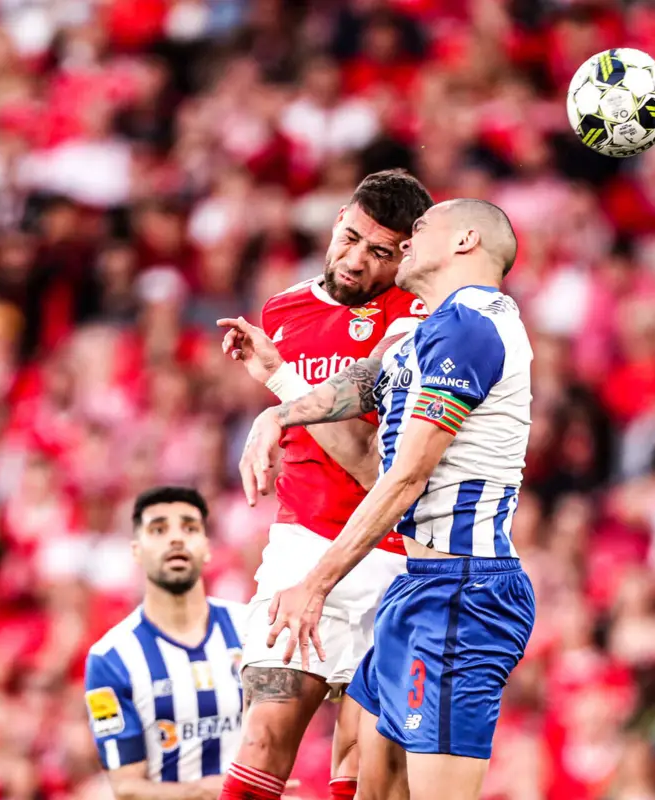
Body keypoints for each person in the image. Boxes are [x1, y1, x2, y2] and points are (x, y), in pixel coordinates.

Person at [227, 198, 533, 800]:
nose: (404, 241)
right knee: (376, 785)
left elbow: (404, 477)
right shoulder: (432, 330)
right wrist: (278, 410)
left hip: (464, 596)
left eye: (418, 229)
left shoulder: (473, 327)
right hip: (421, 589)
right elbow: (362, 382)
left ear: (466, 240)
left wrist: (315, 583)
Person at [216, 169, 434, 800]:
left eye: (380, 252)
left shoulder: (413, 316)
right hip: (303, 544)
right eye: (351, 237)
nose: (357, 260)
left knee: (363, 770)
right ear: (339, 218)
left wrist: (282, 388)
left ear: (406, 257)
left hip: (391, 556)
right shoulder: (283, 310)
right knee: (264, 736)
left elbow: (376, 468)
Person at [83, 486, 247, 800]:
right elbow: (126, 787)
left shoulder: (252, 628)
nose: (176, 538)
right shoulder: (110, 658)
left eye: (190, 527)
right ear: (136, 550)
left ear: (207, 547)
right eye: (158, 529)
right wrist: (208, 791)